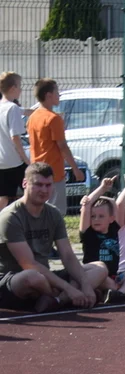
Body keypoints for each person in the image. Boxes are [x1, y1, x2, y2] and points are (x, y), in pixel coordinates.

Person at [0, 162, 104, 312]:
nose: (44, 190)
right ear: (24, 183)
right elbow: (29, 264)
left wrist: (86, 285)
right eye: (38, 184)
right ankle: (63, 296)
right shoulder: (10, 217)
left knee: (99, 268)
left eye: (48, 185)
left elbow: (67, 255)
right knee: (32, 277)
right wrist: (69, 288)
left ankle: (57, 301)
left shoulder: (53, 214)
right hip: (14, 278)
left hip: (46, 276)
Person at [78, 175, 125, 304]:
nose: (96, 219)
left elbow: (120, 204)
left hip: (116, 276)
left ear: (111, 218)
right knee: (107, 280)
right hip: (98, 275)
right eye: (93, 216)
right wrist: (102, 188)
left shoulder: (115, 229)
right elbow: (87, 206)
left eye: (101, 216)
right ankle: (122, 292)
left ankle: (116, 292)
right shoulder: (88, 234)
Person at [27, 78, 84, 213]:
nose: (59, 95)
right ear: (48, 95)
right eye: (57, 91)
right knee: (56, 213)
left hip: (36, 170)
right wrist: (75, 169)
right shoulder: (54, 118)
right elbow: (62, 146)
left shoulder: (33, 117)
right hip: (53, 173)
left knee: (39, 211)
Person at [0, 72, 29, 210]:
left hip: (2, 162)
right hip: (14, 162)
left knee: (4, 197)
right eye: (19, 86)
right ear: (13, 88)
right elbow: (15, 137)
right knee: (31, 191)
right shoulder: (12, 108)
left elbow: (24, 111)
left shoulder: (3, 106)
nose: (21, 90)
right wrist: (26, 160)